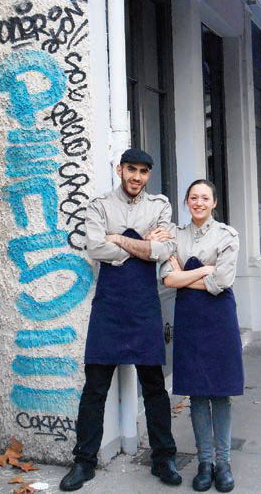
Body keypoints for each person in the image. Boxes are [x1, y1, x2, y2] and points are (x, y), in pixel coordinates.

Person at [60, 148, 182, 491]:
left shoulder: (159, 206)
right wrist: (141, 244)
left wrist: (121, 239)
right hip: (109, 306)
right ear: (120, 169)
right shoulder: (99, 205)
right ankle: (83, 462)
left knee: (155, 387)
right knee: (95, 386)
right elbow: (97, 249)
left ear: (148, 175)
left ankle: (164, 458)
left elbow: (163, 251)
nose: (137, 177)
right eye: (131, 169)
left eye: (143, 171)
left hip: (144, 306)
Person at [160, 179, 244, 493]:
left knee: (220, 393)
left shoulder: (227, 235)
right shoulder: (175, 235)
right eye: (193, 197)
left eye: (204, 197)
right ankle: (204, 463)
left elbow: (222, 281)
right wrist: (202, 271)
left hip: (219, 316)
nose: (198, 202)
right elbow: (168, 279)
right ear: (186, 202)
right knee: (196, 393)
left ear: (214, 203)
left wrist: (185, 275)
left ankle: (223, 463)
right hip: (190, 318)